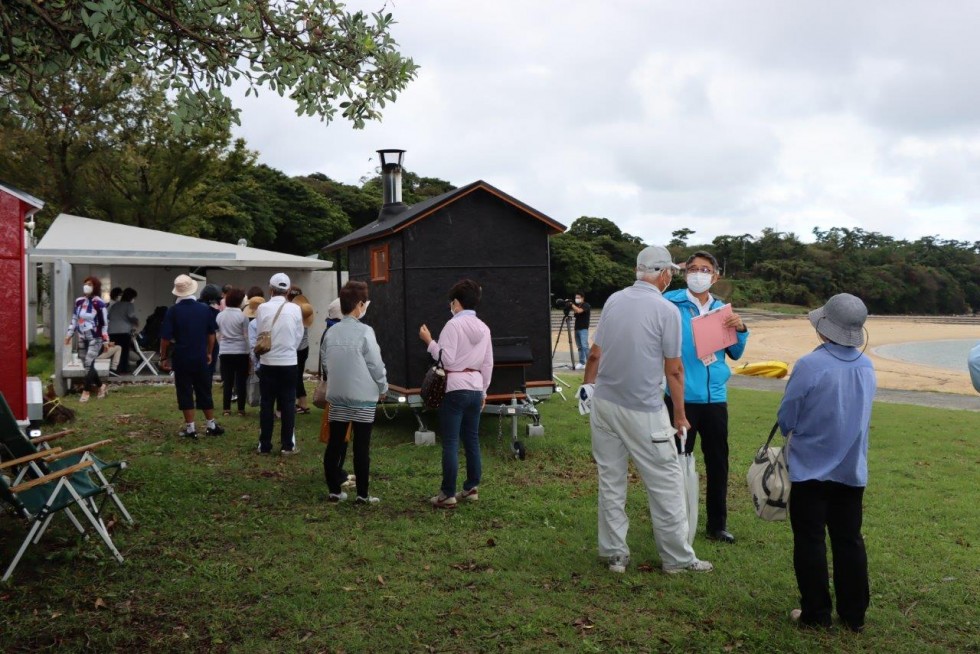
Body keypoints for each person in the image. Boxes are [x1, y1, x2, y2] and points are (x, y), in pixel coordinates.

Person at [579, 245, 712, 575]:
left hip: (605, 403)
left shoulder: (614, 301)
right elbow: (675, 370)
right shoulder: (666, 310)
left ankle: (614, 555)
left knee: (611, 479)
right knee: (665, 482)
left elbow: (595, 354)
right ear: (664, 274)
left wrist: (588, 386)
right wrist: (679, 415)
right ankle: (677, 559)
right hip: (644, 408)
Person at [777, 293, 876, 632]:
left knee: (810, 539)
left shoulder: (810, 364)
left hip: (809, 469)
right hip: (851, 470)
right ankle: (854, 615)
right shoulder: (865, 365)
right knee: (849, 539)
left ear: (825, 327)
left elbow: (787, 416)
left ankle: (816, 614)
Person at [663, 251, 749, 544]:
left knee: (717, 463)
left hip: (715, 399)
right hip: (679, 398)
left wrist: (741, 329)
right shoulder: (669, 303)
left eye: (705, 269)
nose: (698, 273)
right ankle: (675, 523)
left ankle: (717, 525)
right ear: (685, 272)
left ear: (715, 276)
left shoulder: (723, 309)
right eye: (693, 269)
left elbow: (735, 353)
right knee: (676, 463)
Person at [420, 279, 494, 509]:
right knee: (471, 438)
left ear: (456, 303)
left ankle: (447, 494)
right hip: (475, 386)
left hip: (455, 387)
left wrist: (429, 342)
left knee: (451, 441)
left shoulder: (452, 325)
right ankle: (471, 487)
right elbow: (488, 363)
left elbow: (447, 359)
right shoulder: (484, 327)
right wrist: (483, 391)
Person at [321, 281, 388, 504]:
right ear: (360, 304)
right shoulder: (366, 332)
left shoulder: (331, 332)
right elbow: (376, 365)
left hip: (338, 396)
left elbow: (325, 363)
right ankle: (362, 495)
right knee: (361, 446)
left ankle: (334, 491)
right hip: (363, 399)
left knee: (335, 443)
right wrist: (383, 386)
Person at [159, 274, 225, 439]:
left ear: (177, 292)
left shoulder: (172, 311)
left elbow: (165, 338)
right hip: (200, 355)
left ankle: (190, 428)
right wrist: (209, 352)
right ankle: (210, 424)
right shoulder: (204, 309)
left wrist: (163, 357)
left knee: (185, 390)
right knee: (204, 388)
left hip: (181, 355)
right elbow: (211, 334)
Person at [254, 273, 304, 455]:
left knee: (266, 403)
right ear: (289, 290)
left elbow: (261, 332)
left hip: (268, 361)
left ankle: (264, 445)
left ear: (270, 289)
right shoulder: (296, 309)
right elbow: (298, 336)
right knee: (288, 403)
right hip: (289, 362)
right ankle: (287, 445)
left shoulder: (262, 308)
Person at [64, 276, 110, 402]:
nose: (86, 286)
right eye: (85, 284)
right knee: (87, 365)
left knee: (89, 363)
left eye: (89, 284)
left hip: (95, 337)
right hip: (82, 336)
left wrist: (105, 341)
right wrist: (69, 334)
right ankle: (102, 386)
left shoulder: (99, 303)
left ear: (95, 286)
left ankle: (86, 391)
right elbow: (74, 318)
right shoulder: (79, 301)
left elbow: (104, 324)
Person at [216, 287, 250, 416]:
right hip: (241, 351)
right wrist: (250, 353)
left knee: (228, 381)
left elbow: (218, 333)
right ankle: (241, 409)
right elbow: (246, 336)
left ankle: (226, 409)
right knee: (241, 381)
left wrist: (223, 345)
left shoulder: (220, 315)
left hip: (225, 351)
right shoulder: (243, 317)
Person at [289, 287, 314, 414]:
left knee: (296, 377)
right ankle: (301, 403)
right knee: (298, 375)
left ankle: (303, 403)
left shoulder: (295, 313)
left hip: (297, 349)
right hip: (304, 348)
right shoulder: (305, 310)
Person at [107, 287, 139, 374]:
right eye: (134, 298)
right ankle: (123, 369)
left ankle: (114, 368)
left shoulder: (115, 305)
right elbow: (131, 316)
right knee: (124, 352)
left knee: (114, 351)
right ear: (131, 297)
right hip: (123, 332)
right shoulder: (129, 305)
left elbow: (109, 316)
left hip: (112, 332)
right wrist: (136, 322)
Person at [199, 283, 223, 380]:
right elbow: (214, 331)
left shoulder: (196, 308)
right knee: (208, 373)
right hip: (210, 345)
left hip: (197, 343)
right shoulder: (214, 313)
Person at [570, 292, 591, 370]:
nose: (576, 299)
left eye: (578, 297)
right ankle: (582, 362)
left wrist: (571, 304)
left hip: (583, 329)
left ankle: (590, 363)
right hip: (577, 328)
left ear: (582, 298)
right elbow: (576, 312)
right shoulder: (577, 306)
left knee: (585, 346)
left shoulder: (586, 305)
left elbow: (579, 311)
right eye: (576, 297)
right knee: (579, 346)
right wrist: (570, 305)